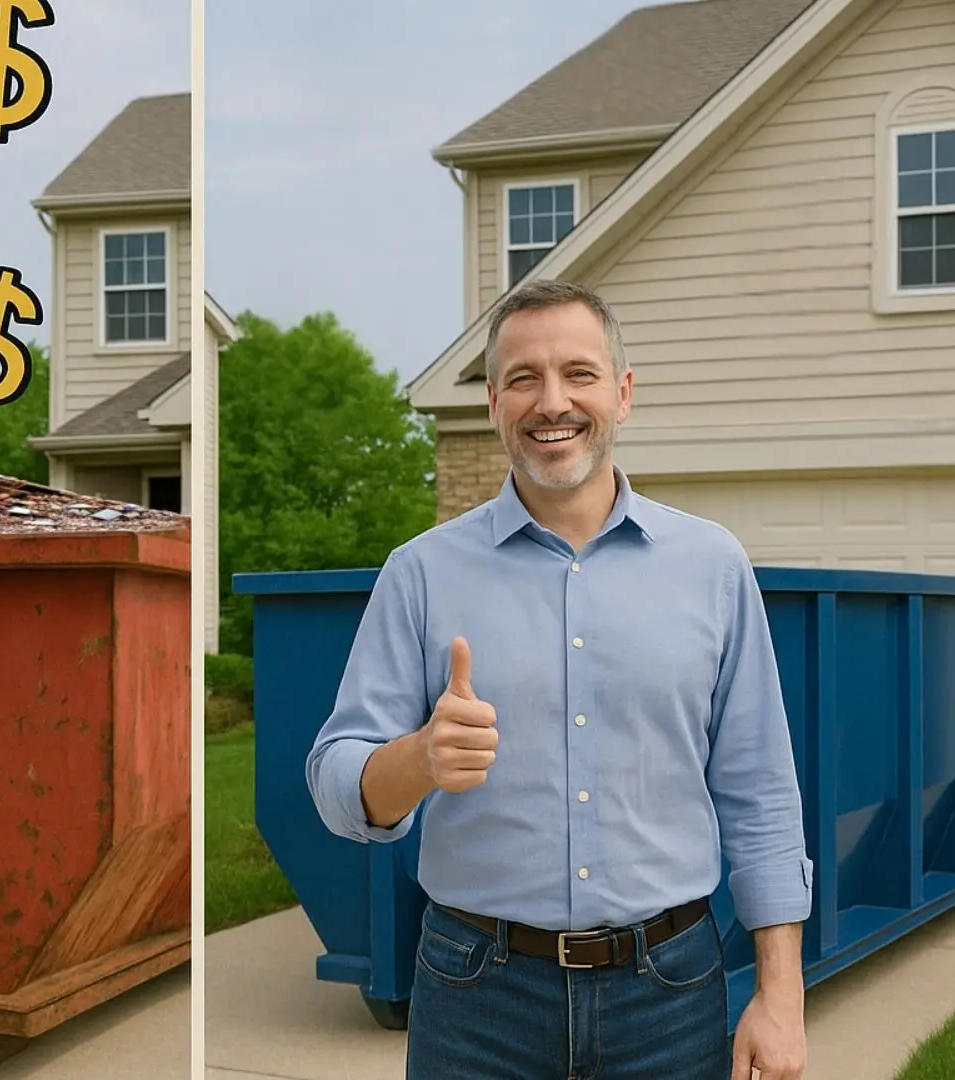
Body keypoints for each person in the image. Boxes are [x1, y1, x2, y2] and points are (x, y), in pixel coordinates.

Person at [304, 279, 812, 1080]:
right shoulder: (421, 573)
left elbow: (760, 790)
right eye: (522, 378)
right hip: (476, 996)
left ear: (623, 392)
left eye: (579, 373)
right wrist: (418, 760)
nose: (553, 402)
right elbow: (334, 780)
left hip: (670, 993)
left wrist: (780, 994)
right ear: (495, 403)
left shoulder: (712, 566)